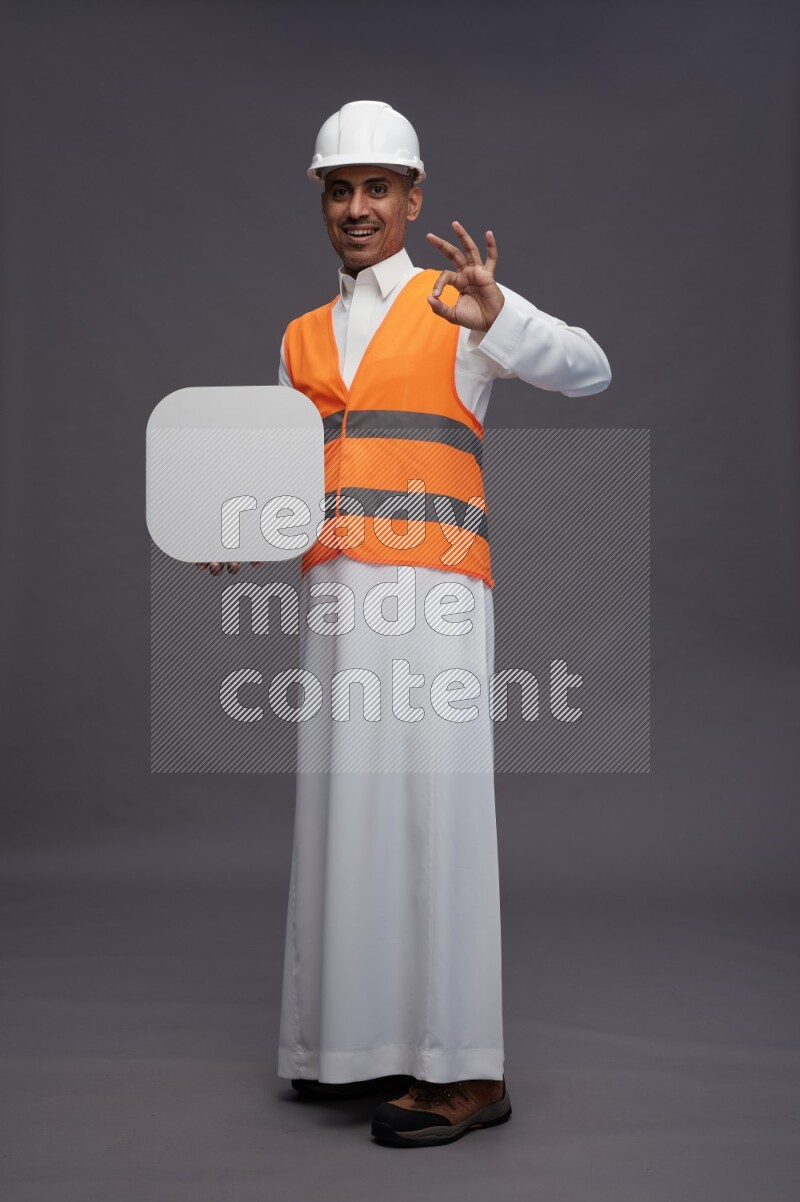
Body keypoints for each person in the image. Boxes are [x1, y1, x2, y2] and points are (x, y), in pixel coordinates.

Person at [200, 99, 611, 1147]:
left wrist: (501, 315)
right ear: (321, 200)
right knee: (346, 817)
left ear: (412, 197)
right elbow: (295, 481)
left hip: (432, 598)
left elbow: (588, 367)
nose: (356, 206)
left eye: (377, 186)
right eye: (339, 188)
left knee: (435, 816)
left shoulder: (455, 304)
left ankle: (466, 1070)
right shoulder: (298, 337)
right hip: (337, 598)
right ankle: (344, 1050)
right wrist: (237, 525)